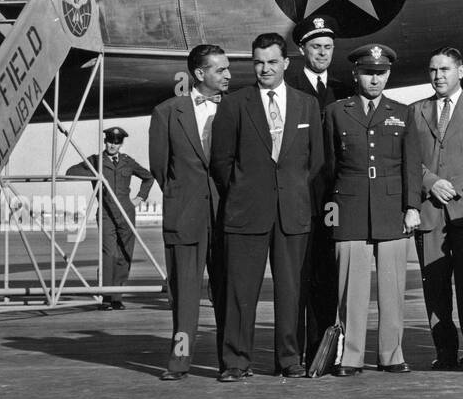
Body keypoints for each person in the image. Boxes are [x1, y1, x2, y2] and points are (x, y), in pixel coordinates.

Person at [210, 32, 323, 380]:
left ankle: (289, 359)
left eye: (272, 62)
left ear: (286, 63)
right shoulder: (234, 104)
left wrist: (293, 194)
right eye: (258, 62)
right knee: (240, 292)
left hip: (292, 212)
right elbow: (221, 162)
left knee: (291, 292)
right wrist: (246, 192)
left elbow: (315, 161)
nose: (265, 69)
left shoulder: (307, 104)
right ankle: (235, 362)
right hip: (246, 213)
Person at [404, 47, 463, 369]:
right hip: (431, 215)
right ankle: (444, 353)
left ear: (460, 72)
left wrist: (453, 185)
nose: (438, 76)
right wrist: (431, 182)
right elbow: (408, 160)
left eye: (444, 69)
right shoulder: (415, 111)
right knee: (435, 290)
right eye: (433, 70)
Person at [323, 44, 412, 377]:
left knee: (393, 289)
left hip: (391, 208)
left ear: (388, 74)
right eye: (367, 73)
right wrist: (331, 208)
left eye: (380, 73)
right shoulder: (336, 111)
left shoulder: (402, 112)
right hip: (351, 206)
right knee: (351, 290)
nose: (374, 80)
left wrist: (412, 207)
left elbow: (410, 166)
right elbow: (327, 166)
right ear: (355, 74)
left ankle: (392, 354)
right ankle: (351, 357)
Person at [148, 44, 230, 380]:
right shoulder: (167, 112)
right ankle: (180, 360)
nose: (228, 75)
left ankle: (232, 363)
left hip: (227, 216)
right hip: (185, 215)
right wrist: (185, 199)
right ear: (200, 73)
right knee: (184, 294)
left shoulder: (237, 109)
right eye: (220, 69)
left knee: (228, 289)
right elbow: (159, 168)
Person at [286, 15, 349, 369]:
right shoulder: (290, 86)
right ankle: (291, 355)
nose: (322, 53)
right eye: (315, 47)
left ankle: (321, 355)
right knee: (297, 279)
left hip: (336, 200)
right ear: (301, 49)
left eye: (328, 47)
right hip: (300, 197)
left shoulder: (343, 88)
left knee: (327, 280)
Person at [68, 126, 154, 310]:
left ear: (121, 143)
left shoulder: (127, 162)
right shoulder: (95, 161)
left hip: (126, 214)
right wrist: (90, 171)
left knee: (124, 254)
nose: (112, 145)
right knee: (109, 254)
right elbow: (70, 172)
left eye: (117, 142)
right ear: (105, 141)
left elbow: (148, 177)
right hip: (106, 214)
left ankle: (117, 297)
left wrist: (139, 198)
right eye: (109, 141)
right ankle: (105, 297)